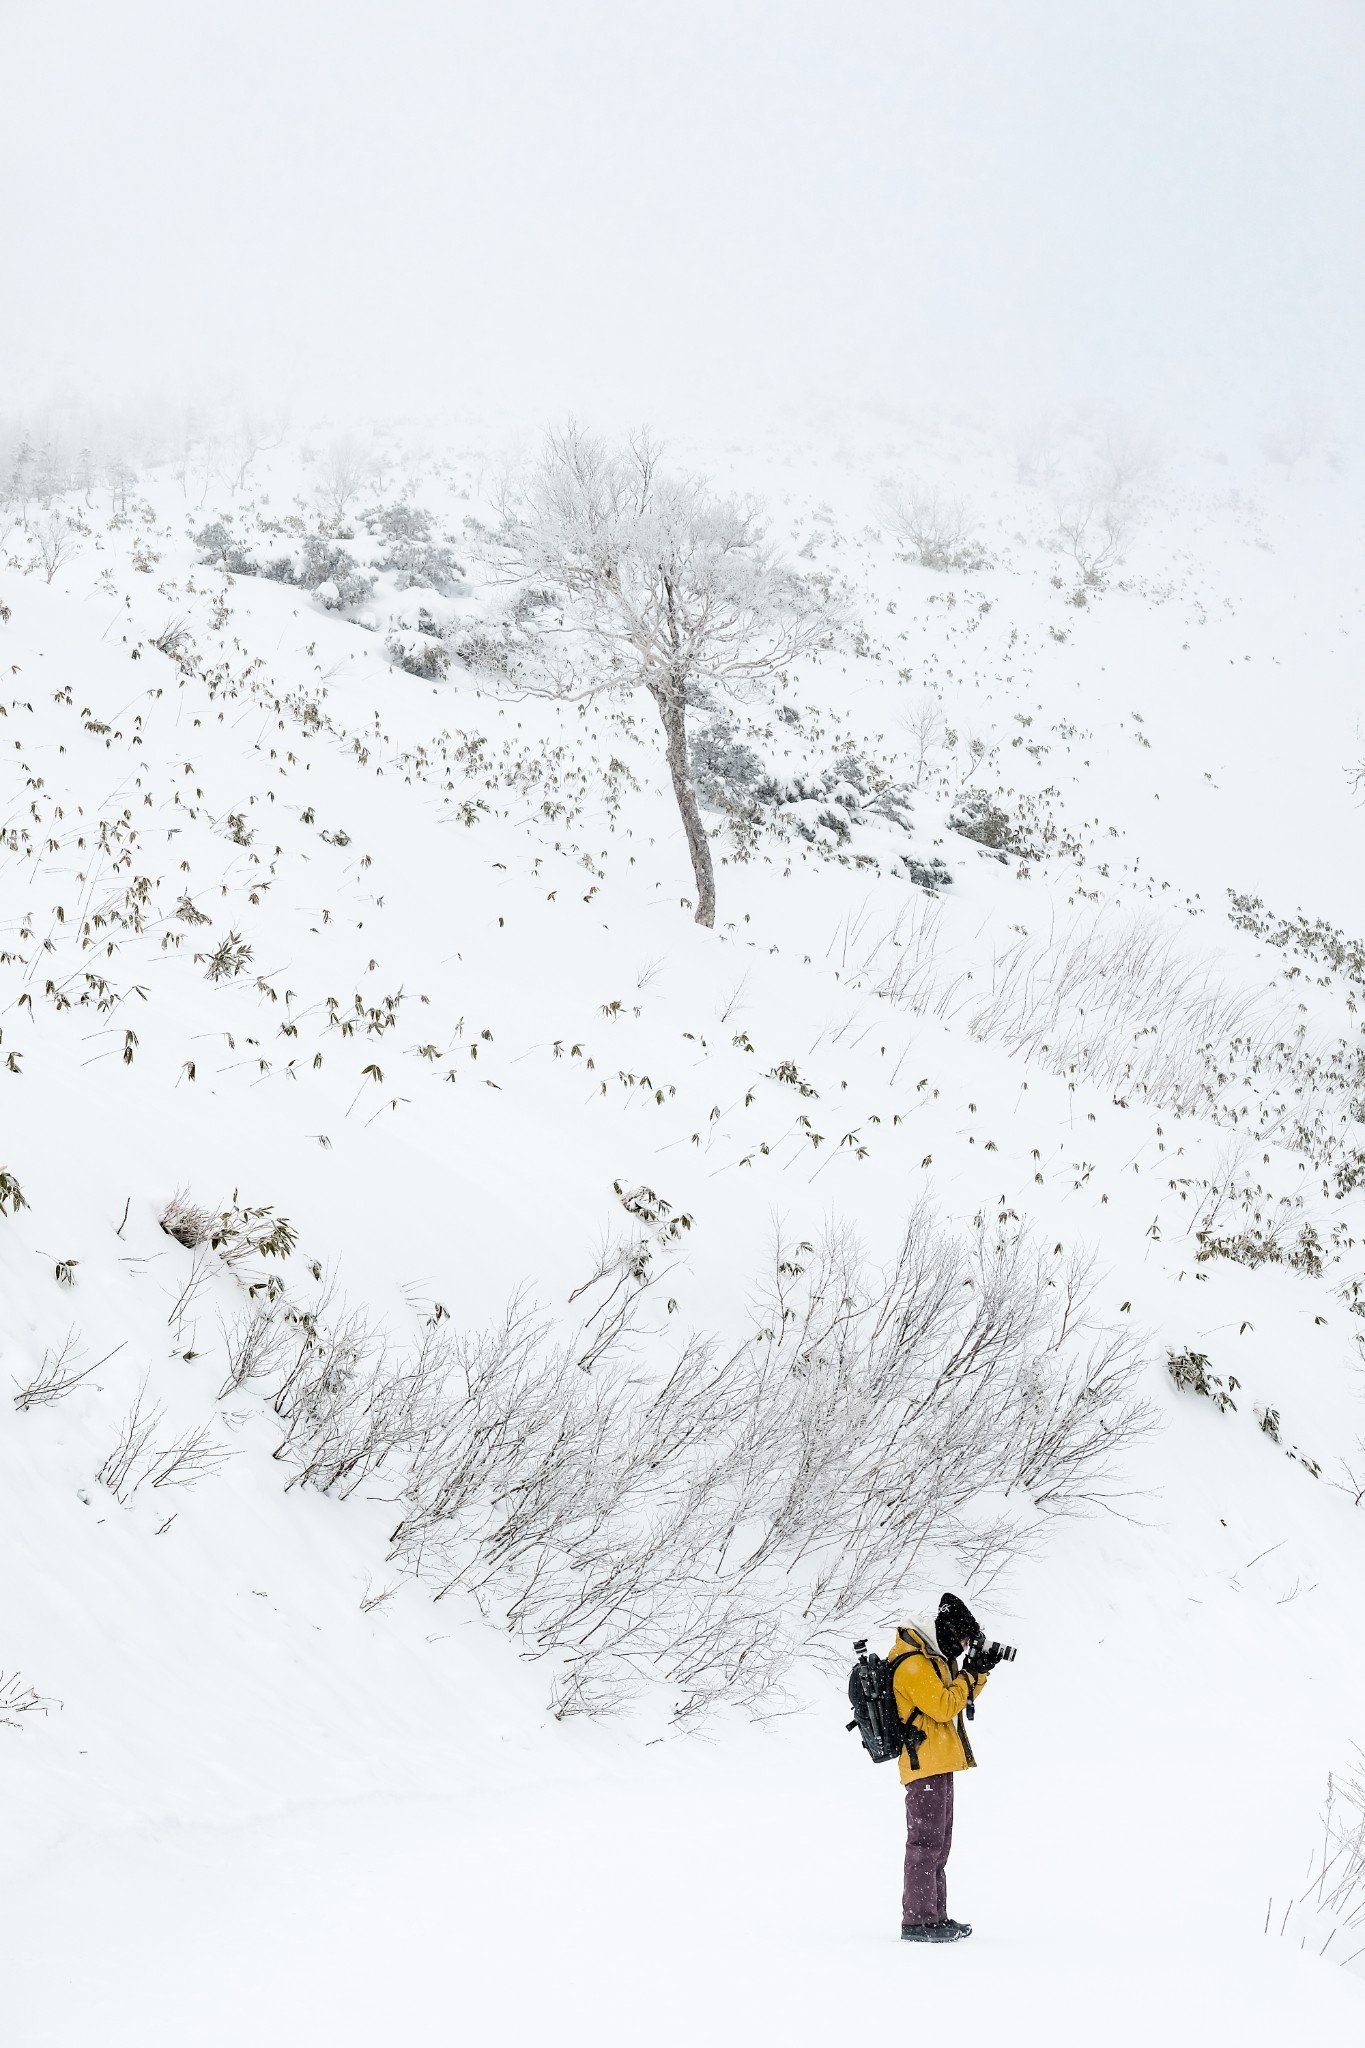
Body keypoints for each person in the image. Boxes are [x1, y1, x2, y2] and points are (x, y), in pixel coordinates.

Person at [891, 1591, 1005, 1943]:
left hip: (939, 1761)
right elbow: (944, 1706)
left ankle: (935, 1916)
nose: (960, 1647)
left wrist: (978, 1673)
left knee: (939, 1845)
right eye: (960, 1639)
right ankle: (917, 1921)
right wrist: (969, 1675)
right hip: (923, 1762)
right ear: (946, 1631)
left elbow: (959, 1698)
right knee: (925, 1844)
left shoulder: (933, 1658)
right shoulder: (913, 1664)